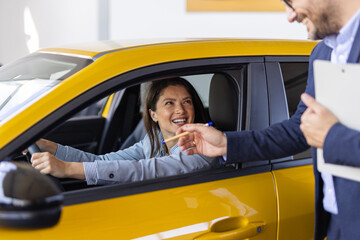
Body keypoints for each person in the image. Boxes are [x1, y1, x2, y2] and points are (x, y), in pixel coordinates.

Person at [176, 0, 360, 239]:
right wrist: (225, 143)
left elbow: (325, 134)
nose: (289, 16)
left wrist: (331, 137)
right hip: (337, 224)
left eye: (290, 2)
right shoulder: (323, 53)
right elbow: (300, 129)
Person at [30, 77, 217, 185]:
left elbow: (143, 170)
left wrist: (67, 169)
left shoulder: (200, 147)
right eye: (170, 103)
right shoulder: (153, 141)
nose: (181, 110)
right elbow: (101, 161)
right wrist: (49, 146)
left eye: (187, 102)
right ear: (153, 115)